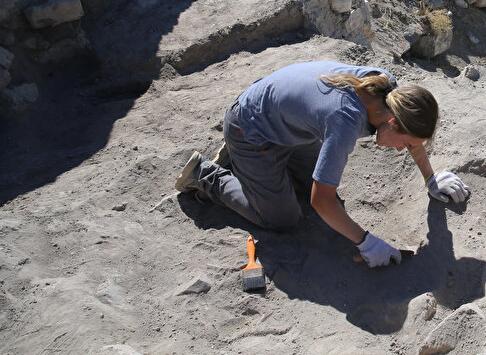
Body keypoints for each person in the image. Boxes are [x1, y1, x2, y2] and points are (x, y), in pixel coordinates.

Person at [174, 60, 470, 267]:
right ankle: (206, 174)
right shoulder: (344, 122)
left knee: (324, 194)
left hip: (288, 124)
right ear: (392, 122)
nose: (402, 149)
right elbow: (321, 201)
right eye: (404, 143)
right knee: (283, 219)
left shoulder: (386, 88)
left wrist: (431, 179)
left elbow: (412, 133)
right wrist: (365, 242)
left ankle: (254, 168)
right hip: (250, 129)